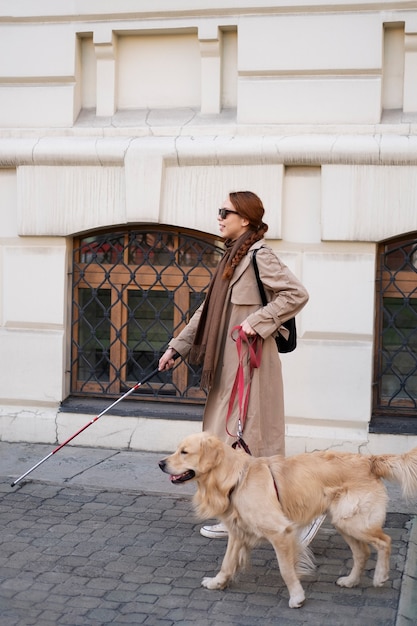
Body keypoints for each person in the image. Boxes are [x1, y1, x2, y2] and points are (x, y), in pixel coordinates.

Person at [159, 191, 324, 542]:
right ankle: (236, 512)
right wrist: (178, 347)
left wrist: (258, 320)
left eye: (225, 212)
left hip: (252, 369)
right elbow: (206, 313)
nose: (219, 217)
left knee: (257, 447)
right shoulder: (231, 259)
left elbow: (295, 294)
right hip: (225, 367)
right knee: (224, 444)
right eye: (219, 211)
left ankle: (305, 513)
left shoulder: (260, 256)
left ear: (245, 219)